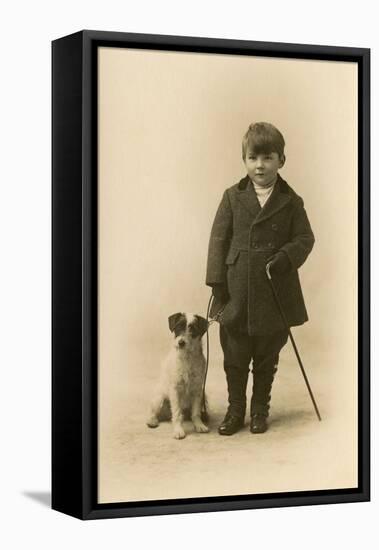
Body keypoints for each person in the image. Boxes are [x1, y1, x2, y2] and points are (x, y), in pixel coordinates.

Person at [206, 122, 315, 435]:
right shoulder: (232, 197)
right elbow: (217, 241)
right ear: (244, 160)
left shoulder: (291, 201)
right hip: (237, 291)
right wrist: (217, 284)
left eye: (268, 157)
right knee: (235, 357)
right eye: (253, 158)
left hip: (273, 292)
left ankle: (259, 410)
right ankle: (235, 410)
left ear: (282, 160)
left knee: (267, 357)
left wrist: (284, 258)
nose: (260, 165)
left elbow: (305, 238)